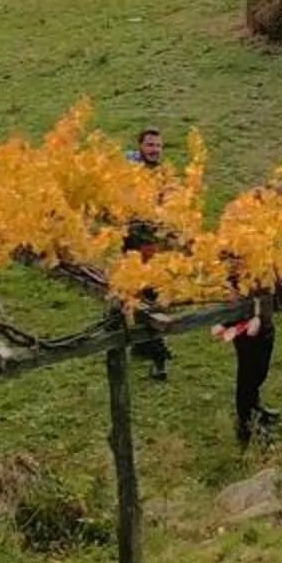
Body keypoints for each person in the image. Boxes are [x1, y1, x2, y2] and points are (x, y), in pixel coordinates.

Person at [123, 127, 171, 380]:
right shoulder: (130, 166)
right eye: (150, 145)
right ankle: (143, 345)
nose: (155, 150)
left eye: (158, 145)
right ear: (140, 146)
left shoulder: (163, 174)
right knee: (133, 293)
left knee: (149, 296)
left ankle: (159, 357)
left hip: (152, 245)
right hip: (131, 240)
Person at [214, 292, 282, 447]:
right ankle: (246, 425)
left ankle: (254, 408)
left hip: (261, 308)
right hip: (244, 313)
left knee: (259, 369)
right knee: (249, 371)